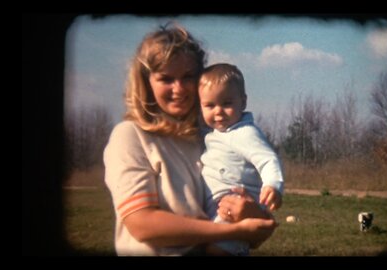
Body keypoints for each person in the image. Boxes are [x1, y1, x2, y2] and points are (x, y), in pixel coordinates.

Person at [103, 24, 276, 256]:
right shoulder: (130, 136)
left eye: (188, 77)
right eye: (166, 78)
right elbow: (143, 224)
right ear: (146, 82)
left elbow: (258, 231)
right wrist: (232, 231)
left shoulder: (210, 137)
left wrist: (250, 214)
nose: (179, 88)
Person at [198, 63, 285, 256]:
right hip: (215, 212)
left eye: (227, 103)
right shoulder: (216, 134)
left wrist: (273, 186)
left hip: (233, 210)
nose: (218, 111)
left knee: (216, 250)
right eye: (210, 105)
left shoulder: (244, 133)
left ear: (243, 102)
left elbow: (268, 160)